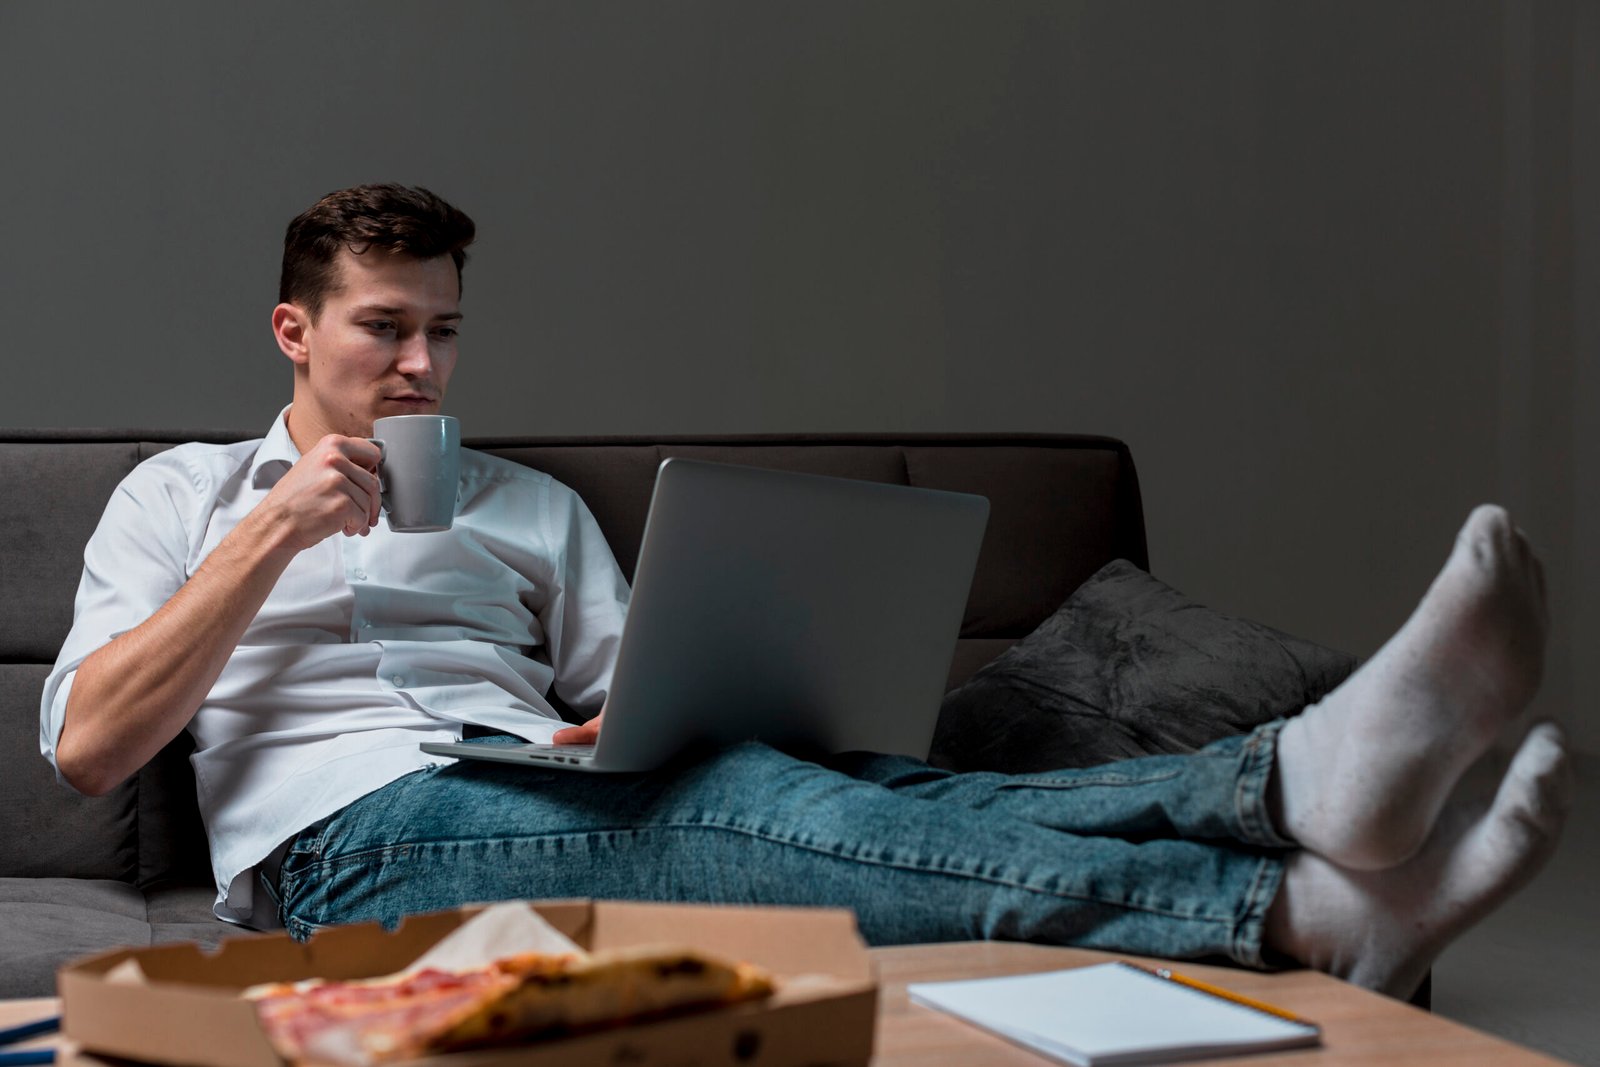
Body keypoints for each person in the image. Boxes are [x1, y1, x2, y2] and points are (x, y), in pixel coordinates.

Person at [41, 183, 1571, 1001]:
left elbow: (646, 688)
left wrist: (606, 733)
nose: (426, 366)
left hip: (533, 786)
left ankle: (1298, 803)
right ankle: (1277, 882)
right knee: (762, 809)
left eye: (447, 331)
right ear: (292, 332)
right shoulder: (180, 497)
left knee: (836, 791)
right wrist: (274, 537)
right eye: (386, 328)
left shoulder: (525, 506)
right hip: (344, 845)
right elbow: (91, 747)